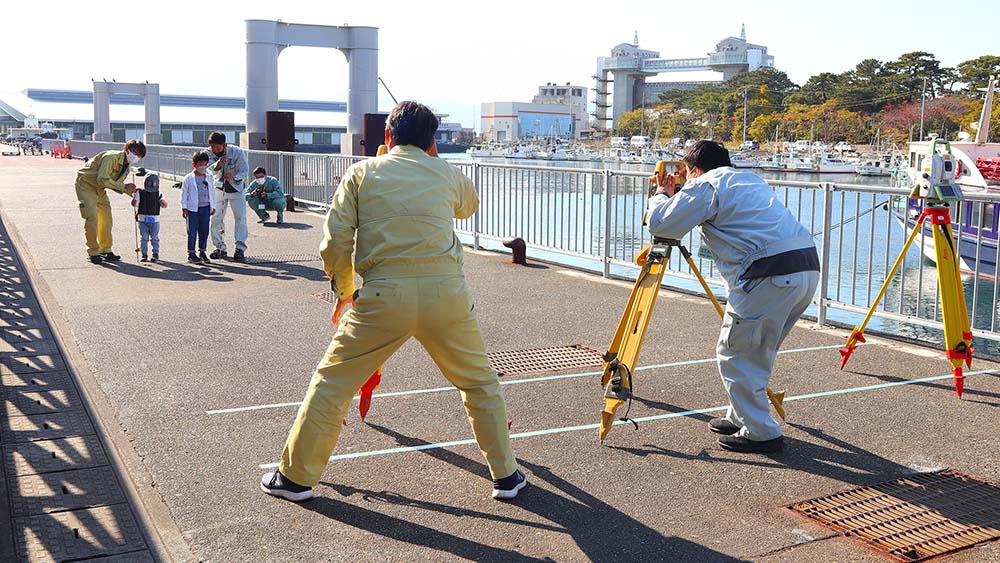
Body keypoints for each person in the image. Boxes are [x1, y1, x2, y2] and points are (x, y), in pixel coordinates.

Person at [261, 101, 525, 502]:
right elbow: (468, 207)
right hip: (446, 294)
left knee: (333, 383)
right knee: (479, 384)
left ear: (387, 137)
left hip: (384, 295)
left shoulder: (362, 173)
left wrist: (345, 292)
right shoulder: (447, 173)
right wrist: (434, 162)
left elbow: (335, 243)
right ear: (432, 141)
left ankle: (295, 479)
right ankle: (506, 477)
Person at [646, 140, 820, 454]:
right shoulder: (750, 180)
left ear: (695, 169)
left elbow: (662, 225)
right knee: (757, 350)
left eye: (685, 172)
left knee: (735, 352)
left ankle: (760, 431)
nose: (685, 179)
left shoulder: (706, 185)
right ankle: (741, 415)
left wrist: (662, 194)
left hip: (767, 273)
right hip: (804, 268)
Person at [75, 139, 143, 263]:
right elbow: (102, 179)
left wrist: (131, 192)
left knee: (106, 218)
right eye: (135, 153)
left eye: (139, 156)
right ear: (126, 149)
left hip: (100, 188)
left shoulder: (127, 168)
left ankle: (105, 249)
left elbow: (117, 185)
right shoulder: (111, 158)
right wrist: (124, 187)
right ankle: (93, 252)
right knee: (92, 218)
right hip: (85, 184)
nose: (136, 157)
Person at [205, 131, 249, 261]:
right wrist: (218, 164)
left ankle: (240, 248)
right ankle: (220, 247)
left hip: (237, 189)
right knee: (217, 218)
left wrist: (234, 177)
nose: (214, 150)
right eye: (213, 147)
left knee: (240, 218)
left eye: (217, 147)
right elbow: (208, 169)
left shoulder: (238, 152)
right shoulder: (207, 153)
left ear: (224, 145)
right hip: (218, 188)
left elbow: (244, 170)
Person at [180, 151, 217, 264]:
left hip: (205, 208)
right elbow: (184, 193)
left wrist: (213, 206)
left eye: (205, 164)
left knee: (204, 231)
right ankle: (191, 253)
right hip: (193, 209)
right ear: (194, 164)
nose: (203, 167)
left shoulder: (209, 177)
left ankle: (202, 251)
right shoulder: (189, 178)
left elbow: (212, 192)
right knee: (192, 231)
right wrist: (184, 207)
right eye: (200, 164)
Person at [131, 174, 167, 262]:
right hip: (142, 219)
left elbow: (165, 205)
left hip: (155, 220)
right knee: (144, 238)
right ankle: (144, 254)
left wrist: (163, 203)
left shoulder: (159, 193)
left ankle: (155, 253)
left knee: (154, 237)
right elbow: (134, 204)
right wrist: (135, 197)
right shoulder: (140, 193)